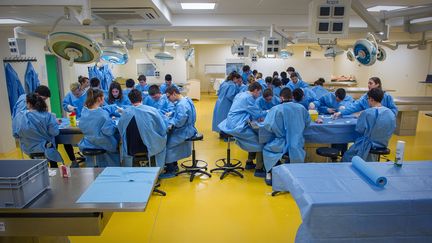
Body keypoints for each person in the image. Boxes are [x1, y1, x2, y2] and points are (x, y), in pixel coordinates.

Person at [261, 87, 311, 185]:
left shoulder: (276, 109)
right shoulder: (301, 108)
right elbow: (307, 123)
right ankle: (296, 174)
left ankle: (269, 173)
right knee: (297, 150)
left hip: (281, 143)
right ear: (292, 97)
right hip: (297, 143)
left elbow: (268, 126)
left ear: (281, 98)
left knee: (266, 150)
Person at [218, 82, 266, 174]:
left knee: (256, 135)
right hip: (237, 125)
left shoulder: (241, 94)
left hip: (230, 122)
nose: (259, 95)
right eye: (259, 93)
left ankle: (249, 162)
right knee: (260, 141)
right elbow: (257, 113)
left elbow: (246, 110)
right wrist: (269, 111)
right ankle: (259, 169)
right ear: (255, 91)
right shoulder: (249, 98)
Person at [117, 89, 168, 171]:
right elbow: (162, 129)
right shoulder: (152, 111)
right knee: (163, 140)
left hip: (131, 148)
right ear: (142, 98)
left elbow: (120, 130)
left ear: (130, 100)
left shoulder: (125, 113)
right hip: (149, 146)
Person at [341, 88, 396, 162]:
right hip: (383, 144)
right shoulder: (390, 113)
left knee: (347, 157)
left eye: (368, 99)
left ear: (371, 99)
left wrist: (361, 116)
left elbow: (360, 129)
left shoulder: (367, 113)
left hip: (368, 145)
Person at [13, 93, 63, 168]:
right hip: (45, 148)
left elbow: (15, 134)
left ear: (28, 104)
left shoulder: (19, 117)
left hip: (28, 149)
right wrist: (54, 122)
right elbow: (55, 132)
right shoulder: (47, 116)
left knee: (39, 170)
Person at [78, 88, 120, 167]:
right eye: (103, 97)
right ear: (99, 99)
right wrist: (113, 123)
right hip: (103, 143)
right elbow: (109, 131)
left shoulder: (84, 111)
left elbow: (82, 126)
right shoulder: (102, 114)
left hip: (88, 143)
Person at [164, 86, 197, 176]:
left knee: (168, 144)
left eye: (168, 97)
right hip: (189, 128)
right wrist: (172, 113)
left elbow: (180, 122)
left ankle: (171, 170)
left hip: (185, 130)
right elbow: (182, 115)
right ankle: (174, 165)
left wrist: (170, 122)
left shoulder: (181, 105)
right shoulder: (185, 100)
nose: (168, 99)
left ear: (174, 93)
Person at [333, 77, 398, 118]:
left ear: (377, 84)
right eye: (368, 83)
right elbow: (354, 106)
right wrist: (341, 112)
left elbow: (394, 110)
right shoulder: (365, 97)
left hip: (382, 125)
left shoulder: (387, 97)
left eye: (370, 83)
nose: (368, 85)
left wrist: (382, 116)